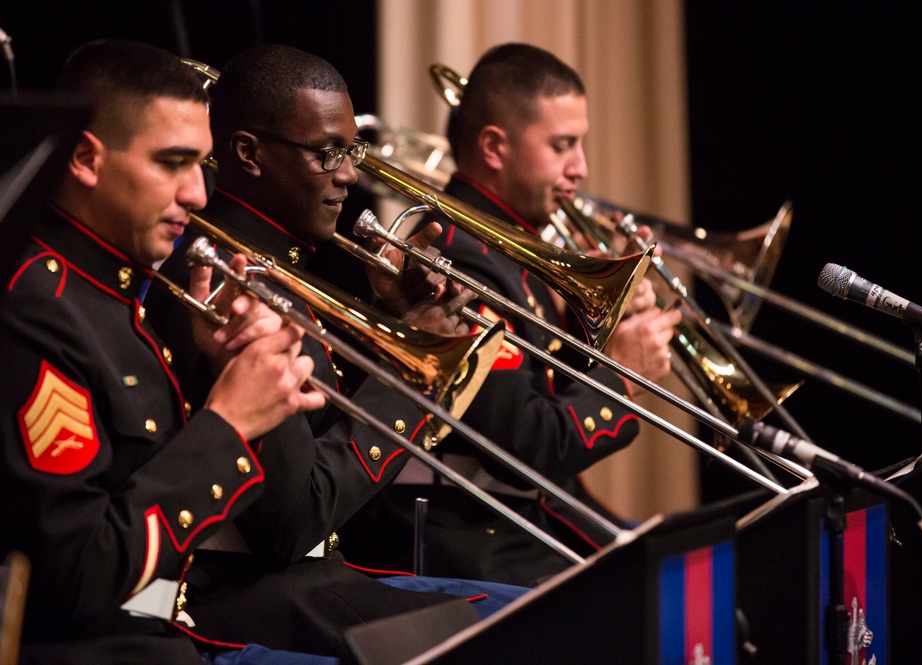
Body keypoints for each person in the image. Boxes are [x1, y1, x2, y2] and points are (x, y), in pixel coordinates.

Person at [145, 44, 527, 658]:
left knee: (547, 609)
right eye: (327, 153)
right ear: (247, 154)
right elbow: (294, 522)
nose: (349, 175)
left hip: (317, 575)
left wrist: (402, 327)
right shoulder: (229, 280)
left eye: (352, 151)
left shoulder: (288, 265)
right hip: (247, 595)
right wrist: (409, 387)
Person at [0, 39, 336, 664]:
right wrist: (229, 423)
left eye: (202, 166)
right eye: (173, 163)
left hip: (168, 635)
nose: (198, 195)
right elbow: (77, 577)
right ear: (84, 158)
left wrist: (225, 364)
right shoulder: (35, 307)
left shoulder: (116, 293)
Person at [338, 43, 683, 587]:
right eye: (562, 145)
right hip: (466, 537)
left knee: (700, 565)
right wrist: (622, 374)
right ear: (495, 147)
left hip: (517, 522)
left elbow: (539, 384)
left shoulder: (514, 248)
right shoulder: (454, 253)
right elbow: (526, 443)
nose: (582, 168)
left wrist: (600, 324)